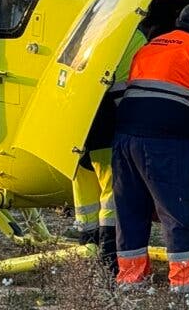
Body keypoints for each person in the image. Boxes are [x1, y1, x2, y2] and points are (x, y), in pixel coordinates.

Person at [112, 3, 189, 295]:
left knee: (130, 210)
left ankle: (130, 280)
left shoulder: (147, 48)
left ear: (178, 20)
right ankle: (188, 285)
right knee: (179, 209)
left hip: (125, 137)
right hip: (166, 141)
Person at [70, 26, 148, 273]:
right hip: (109, 122)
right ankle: (107, 257)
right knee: (111, 192)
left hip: (76, 123)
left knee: (84, 191)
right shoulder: (135, 38)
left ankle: (87, 250)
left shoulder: (85, 30)